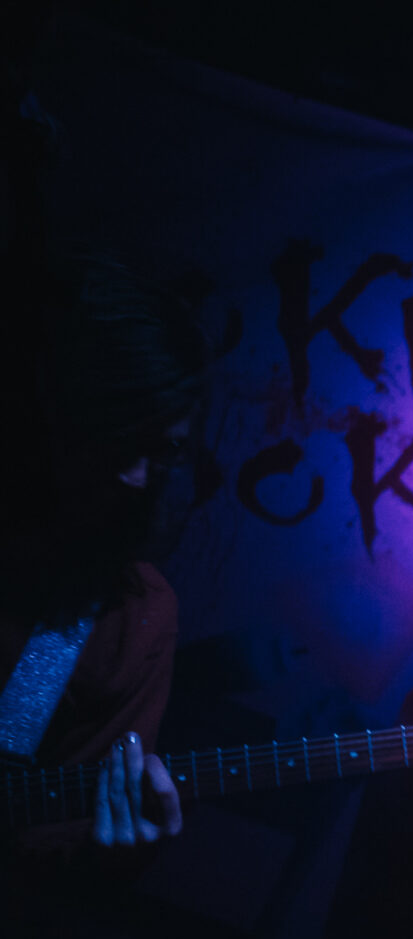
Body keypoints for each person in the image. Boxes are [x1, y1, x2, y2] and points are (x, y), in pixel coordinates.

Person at [1, 249, 200, 855]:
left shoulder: (135, 618)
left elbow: (43, 854)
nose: (137, 478)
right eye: (117, 440)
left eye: (163, 451)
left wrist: (106, 852)